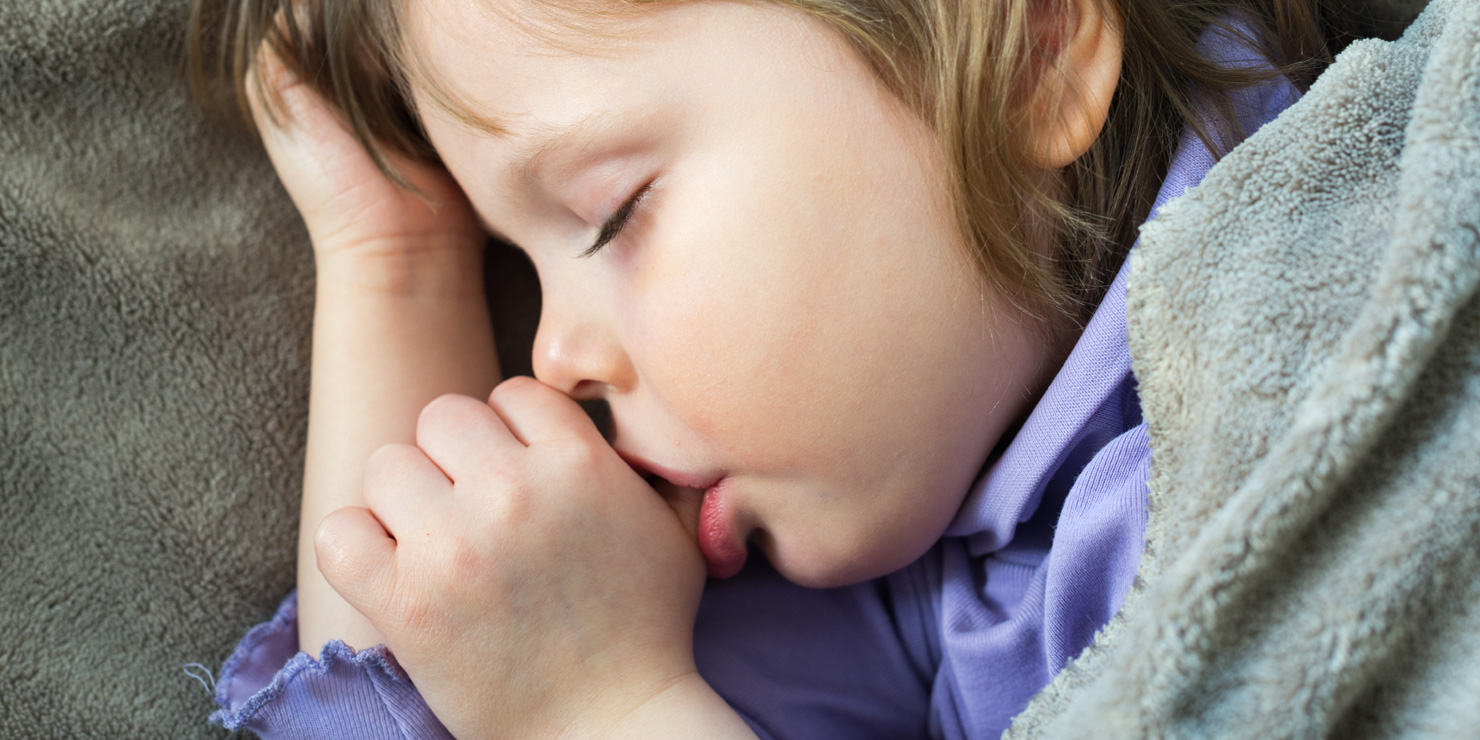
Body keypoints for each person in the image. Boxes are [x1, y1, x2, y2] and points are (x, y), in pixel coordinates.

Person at [188, 0, 1330, 737]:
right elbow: (431, 689)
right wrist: (397, 262)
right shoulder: (905, 554)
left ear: (1028, 53)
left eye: (607, 213)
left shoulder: (1292, 380)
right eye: (516, 265)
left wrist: (609, 710)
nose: (551, 356)